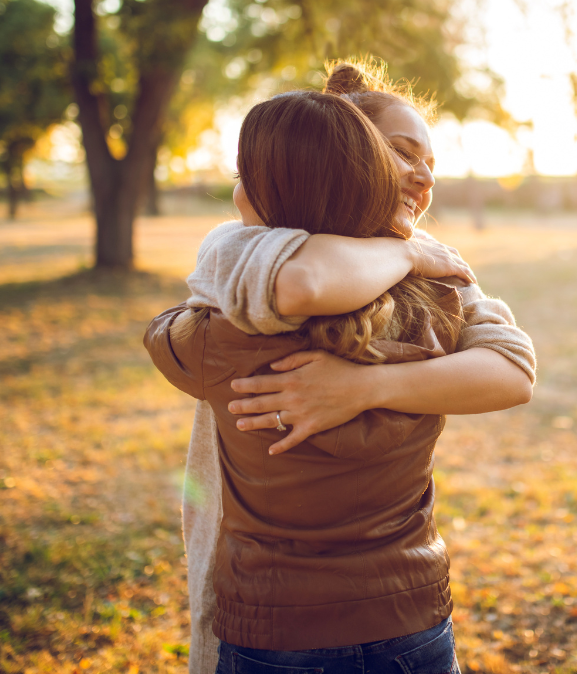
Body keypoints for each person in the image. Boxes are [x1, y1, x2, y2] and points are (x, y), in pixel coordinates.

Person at [149, 63, 536, 674]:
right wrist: (408, 254)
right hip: (408, 616)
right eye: (402, 154)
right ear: (345, 156)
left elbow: (167, 338)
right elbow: (304, 280)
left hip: (277, 624)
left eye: (430, 162)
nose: (424, 176)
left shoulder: (224, 329)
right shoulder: (436, 304)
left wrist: (364, 385)